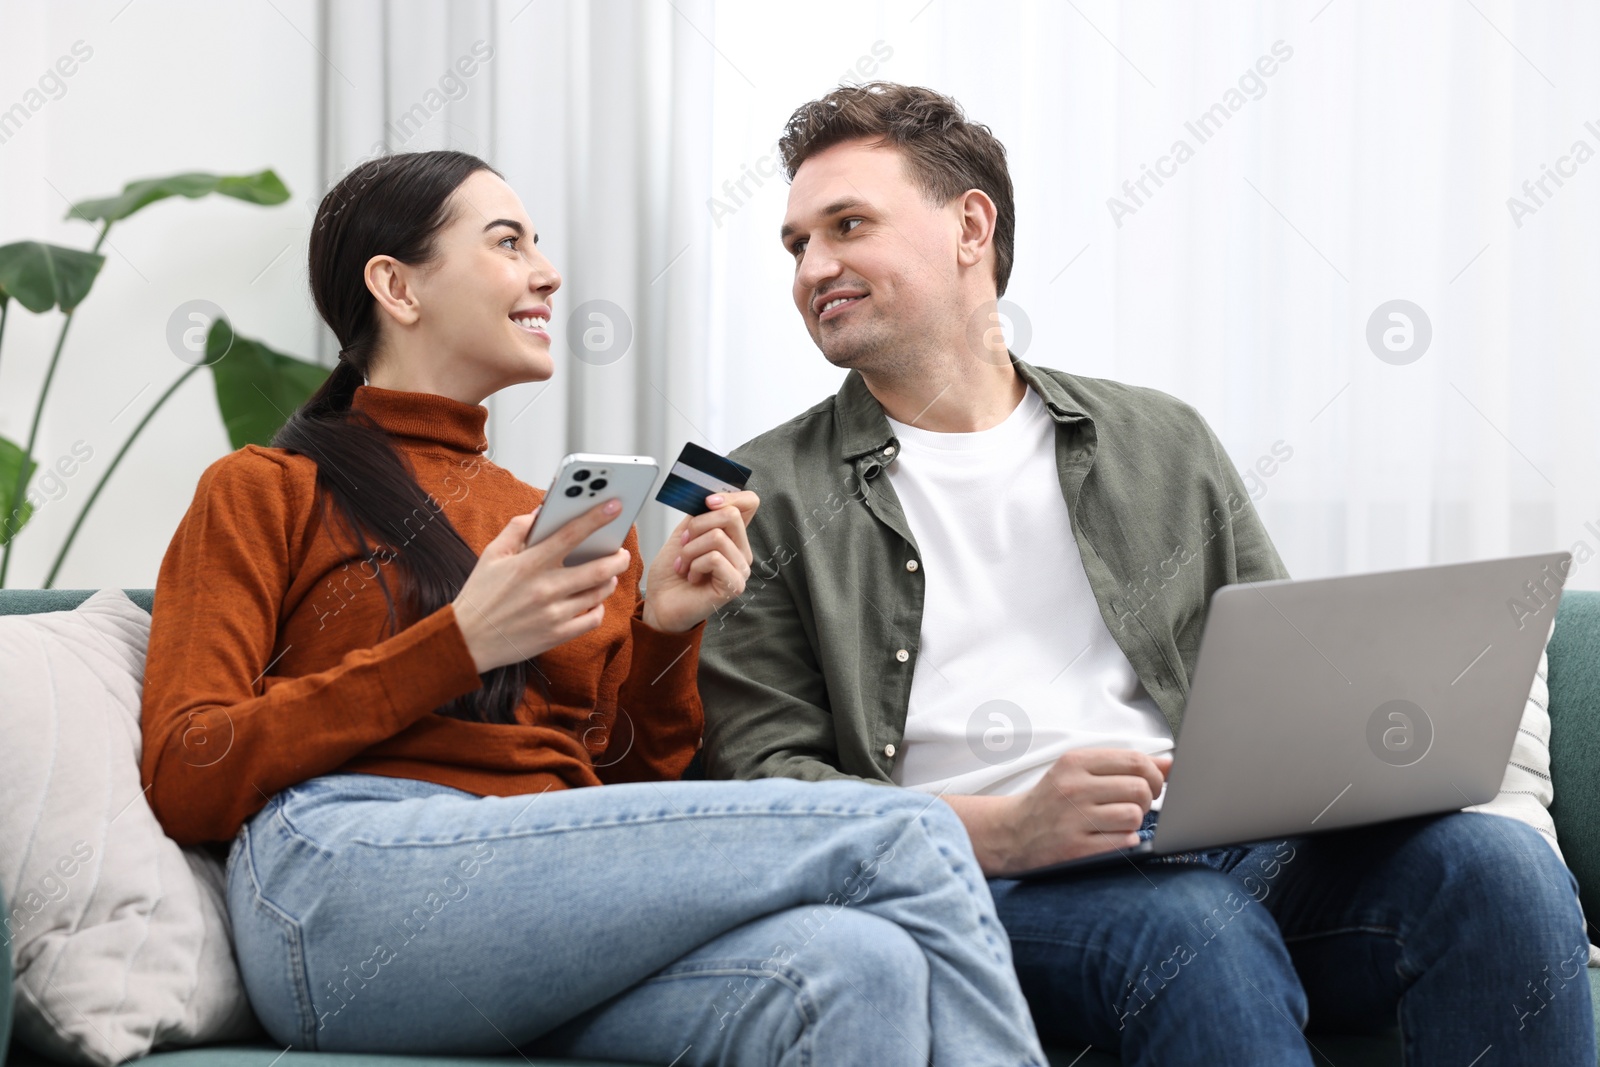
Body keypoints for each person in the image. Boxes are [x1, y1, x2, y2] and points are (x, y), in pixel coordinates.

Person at [697, 82, 1596, 1065]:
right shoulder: (760, 493)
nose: (813, 266)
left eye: (846, 225)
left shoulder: (1159, 440)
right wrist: (1008, 826)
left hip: (1213, 850)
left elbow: (1283, 686)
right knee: (1192, 929)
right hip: (980, 885)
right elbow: (763, 784)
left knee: (1496, 867)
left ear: (969, 225)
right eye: (795, 244)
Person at [138, 148, 1049, 1067]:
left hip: (535, 916)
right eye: (507, 242)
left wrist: (665, 629)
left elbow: (623, 789)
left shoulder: (571, 530)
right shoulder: (265, 489)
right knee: (907, 826)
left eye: (540, 242)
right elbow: (188, 767)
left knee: (858, 968)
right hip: (340, 885)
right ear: (396, 286)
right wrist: (458, 642)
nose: (548, 271)